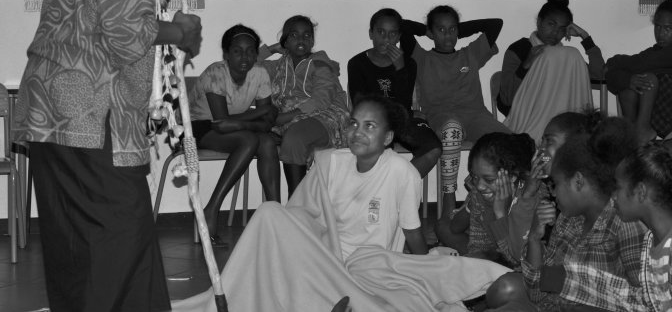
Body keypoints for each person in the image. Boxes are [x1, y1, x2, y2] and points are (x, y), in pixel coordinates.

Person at [11, 0, 202, 312]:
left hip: (59, 113)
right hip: (89, 116)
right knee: (117, 249)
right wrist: (181, 32)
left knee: (81, 251)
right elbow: (125, 33)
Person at [172, 96, 511, 312]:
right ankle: (235, 294)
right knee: (269, 212)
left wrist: (418, 270)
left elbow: (412, 233)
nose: (358, 132)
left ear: (387, 138)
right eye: (353, 123)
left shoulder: (402, 173)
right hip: (326, 257)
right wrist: (304, 244)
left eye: (369, 126)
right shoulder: (330, 162)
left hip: (370, 264)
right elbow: (302, 213)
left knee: (390, 280)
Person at [486, 117, 647, 312]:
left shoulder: (624, 223)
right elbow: (538, 294)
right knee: (504, 297)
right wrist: (534, 239)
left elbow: (643, 300)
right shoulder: (567, 219)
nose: (553, 193)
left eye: (556, 184)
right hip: (554, 306)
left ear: (578, 182)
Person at [401, 5, 508, 218]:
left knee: (511, 142)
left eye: (452, 29)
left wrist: (459, 30)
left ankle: (481, 192)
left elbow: (496, 24)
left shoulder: (471, 54)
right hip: (441, 118)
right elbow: (402, 26)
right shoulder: (421, 58)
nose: (447, 35)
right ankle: (449, 198)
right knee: (451, 129)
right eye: (441, 30)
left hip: (476, 116)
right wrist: (426, 31)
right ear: (431, 32)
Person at [550, 141, 672, 311]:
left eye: (618, 188)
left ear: (641, 192)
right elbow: (647, 303)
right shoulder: (650, 240)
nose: (613, 196)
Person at [189, 24, 280, 243]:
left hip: (236, 127)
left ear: (256, 54)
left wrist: (258, 118)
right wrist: (258, 114)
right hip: (196, 126)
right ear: (226, 54)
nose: (244, 57)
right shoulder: (215, 73)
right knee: (249, 140)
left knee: (266, 142)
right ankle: (212, 208)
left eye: (250, 51)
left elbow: (267, 121)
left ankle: (276, 214)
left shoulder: (260, 73)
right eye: (237, 51)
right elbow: (221, 124)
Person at [260, 15, 350, 196]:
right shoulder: (278, 66)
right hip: (291, 122)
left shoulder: (320, 63)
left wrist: (286, 117)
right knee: (261, 135)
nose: (301, 39)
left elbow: (321, 99)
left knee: (294, 138)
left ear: (312, 41)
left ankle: (296, 202)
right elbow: (246, 64)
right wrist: (272, 49)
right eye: (294, 35)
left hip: (326, 116)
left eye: (307, 35)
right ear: (285, 41)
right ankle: (285, 203)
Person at [499, 0, 605, 143]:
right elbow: (506, 98)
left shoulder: (568, 57)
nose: (555, 32)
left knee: (571, 53)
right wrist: (526, 64)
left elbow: (599, 76)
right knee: (551, 54)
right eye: (551, 24)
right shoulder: (520, 48)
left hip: (563, 124)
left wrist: (585, 37)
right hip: (528, 121)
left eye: (562, 28)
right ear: (539, 22)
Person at [347, 7, 441, 177]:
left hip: (402, 120)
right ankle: (383, 187)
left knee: (433, 148)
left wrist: (400, 69)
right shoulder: (357, 64)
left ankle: (397, 185)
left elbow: (403, 102)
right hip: (372, 122)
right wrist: (400, 113)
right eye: (381, 32)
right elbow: (361, 105)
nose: (386, 39)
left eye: (392, 34)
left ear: (399, 37)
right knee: (380, 152)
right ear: (371, 33)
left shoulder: (408, 64)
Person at [435, 132, 537, 268]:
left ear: (512, 177)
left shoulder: (528, 198)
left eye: (489, 180)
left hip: (521, 258)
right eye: (475, 177)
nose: (480, 186)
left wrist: (500, 213)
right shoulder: (479, 194)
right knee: (444, 228)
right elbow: (477, 244)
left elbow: (518, 258)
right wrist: (475, 205)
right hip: (495, 250)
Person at [606, 0, 672, 143]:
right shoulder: (655, 51)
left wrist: (613, 61)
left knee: (648, 79)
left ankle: (640, 130)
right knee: (629, 86)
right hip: (656, 118)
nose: (660, 33)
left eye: (668, 28)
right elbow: (611, 78)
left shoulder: (666, 53)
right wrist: (628, 80)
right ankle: (633, 134)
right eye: (657, 27)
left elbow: (639, 63)